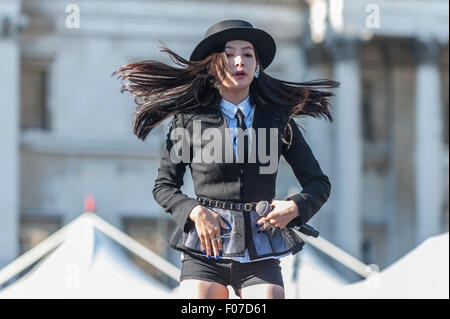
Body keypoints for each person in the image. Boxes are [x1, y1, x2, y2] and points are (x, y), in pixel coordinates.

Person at [113, 19, 339, 299]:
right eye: (229, 54)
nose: (239, 61)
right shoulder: (189, 121)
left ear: (257, 67)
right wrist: (195, 211)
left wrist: (295, 207)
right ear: (212, 67)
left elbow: (319, 183)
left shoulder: (279, 121)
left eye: (247, 54)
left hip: (260, 245)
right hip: (205, 248)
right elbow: (164, 187)